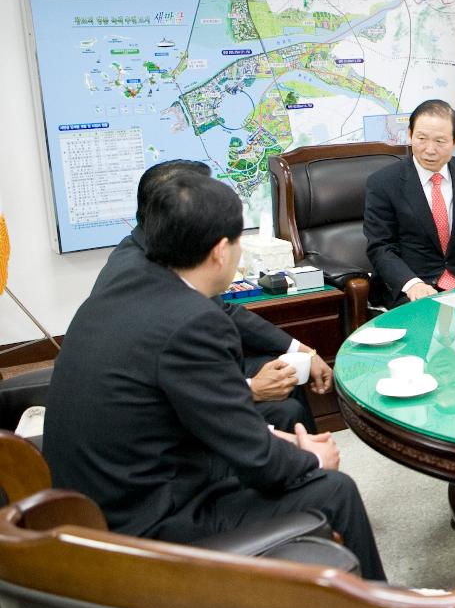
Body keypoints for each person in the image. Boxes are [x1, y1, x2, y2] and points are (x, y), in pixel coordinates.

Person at [44, 173, 385, 580]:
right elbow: (258, 462)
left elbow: (211, 420)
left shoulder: (131, 281)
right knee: (333, 490)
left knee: (281, 429)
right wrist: (311, 456)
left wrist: (285, 443)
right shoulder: (193, 324)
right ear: (221, 251)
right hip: (141, 523)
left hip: (98, 494)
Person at [94, 158, 331, 433]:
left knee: (281, 370)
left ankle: (309, 464)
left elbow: (223, 310)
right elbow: (173, 382)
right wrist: (252, 389)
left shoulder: (158, 251)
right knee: (285, 410)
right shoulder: (141, 277)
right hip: (155, 418)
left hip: (180, 385)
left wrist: (299, 349)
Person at [365, 99, 455, 306]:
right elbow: (381, 247)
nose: (429, 149)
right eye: (421, 138)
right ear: (409, 134)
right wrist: (412, 284)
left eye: (440, 141)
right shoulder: (383, 182)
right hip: (412, 285)